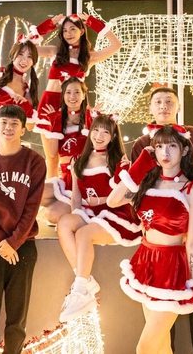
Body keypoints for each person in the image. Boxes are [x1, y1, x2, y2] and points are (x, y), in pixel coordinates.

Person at [108, 125, 193, 354]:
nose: (165, 152)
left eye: (172, 146)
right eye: (159, 146)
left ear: (184, 150)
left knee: (144, 348)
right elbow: (113, 200)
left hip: (172, 269)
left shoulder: (191, 190)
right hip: (145, 262)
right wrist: (139, 167)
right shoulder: (147, 184)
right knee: (161, 345)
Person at [131, 86, 193, 354]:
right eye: (158, 101)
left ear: (178, 106)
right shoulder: (141, 145)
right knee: (159, 324)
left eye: (169, 101)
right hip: (155, 250)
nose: (164, 106)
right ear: (150, 108)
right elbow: (136, 189)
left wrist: (184, 220)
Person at [0, 105, 46, 354]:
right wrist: (0, 242)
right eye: (4, 123)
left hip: (23, 246)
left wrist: (13, 242)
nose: (9, 128)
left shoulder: (35, 162)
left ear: (23, 129)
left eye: (15, 124)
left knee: (17, 319)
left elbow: (31, 207)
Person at [57, 113, 142, 322]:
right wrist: (77, 215)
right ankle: (85, 281)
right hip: (91, 213)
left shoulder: (118, 162)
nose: (99, 135)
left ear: (113, 136)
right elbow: (76, 197)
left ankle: (80, 290)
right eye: (96, 130)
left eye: (106, 132)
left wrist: (101, 200)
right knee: (64, 223)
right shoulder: (79, 160)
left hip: (115, 215)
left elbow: (127, 195)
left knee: (83, 234)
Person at [32, 13, 121, 166]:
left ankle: (75, 180)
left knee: (78, 154)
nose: (69, 34)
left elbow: (116, 45)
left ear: (82, 31)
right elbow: (25, 47)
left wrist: (93, 22)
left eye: (73, 29)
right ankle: (55, 182)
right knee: (52, 157)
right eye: (65, 30)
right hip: (51, 103)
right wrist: (48, 25)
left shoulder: (88, 57)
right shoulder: (55, 51)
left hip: (76, 105)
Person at [37, 77, 92, 224]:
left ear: (84, 95)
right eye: (68, 92)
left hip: (83, 178)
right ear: (63, 95)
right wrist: (54, 123)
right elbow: (52, 153)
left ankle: (83, 211)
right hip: (65, 178)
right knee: (33, 193)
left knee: (52, 215)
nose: (72, 96)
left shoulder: (90, 118)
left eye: (77, 92)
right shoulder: (58, 118)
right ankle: (66, 206)